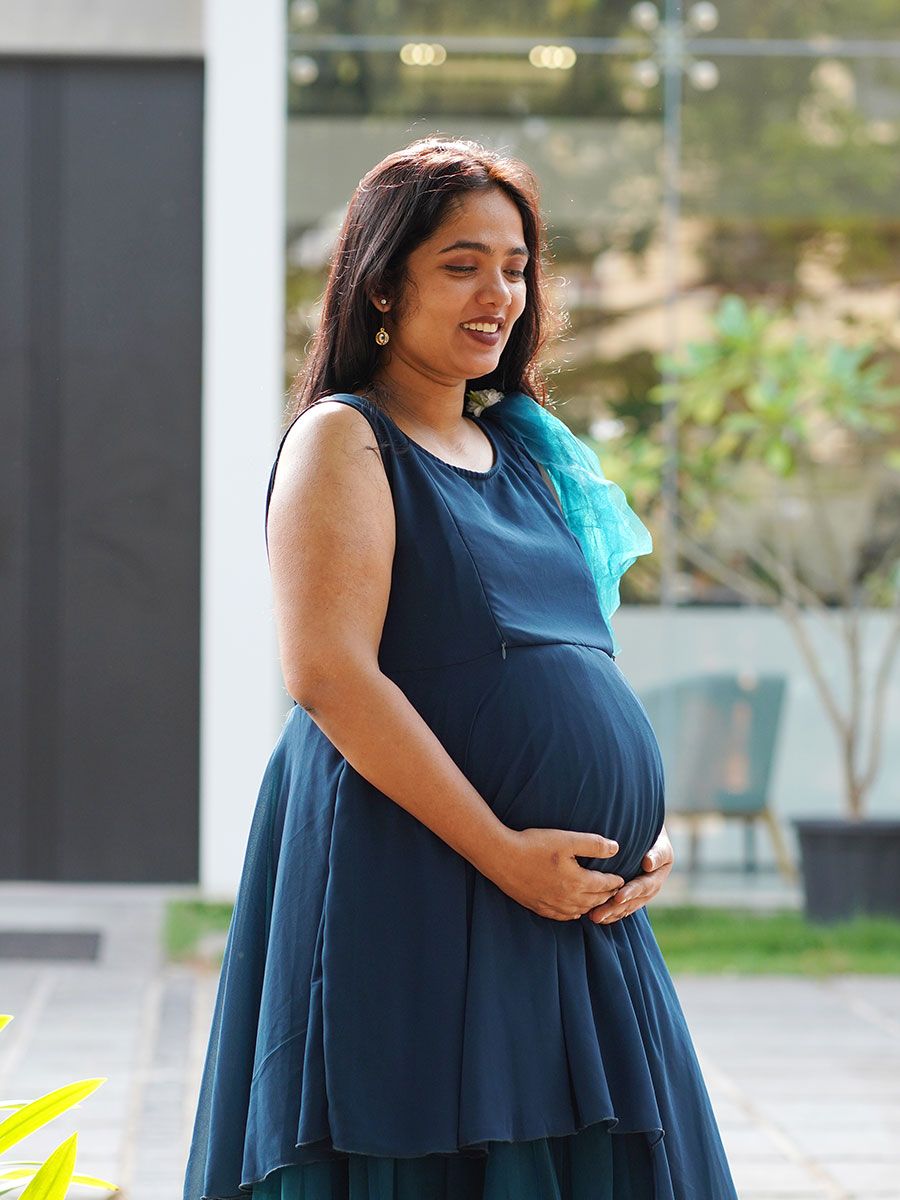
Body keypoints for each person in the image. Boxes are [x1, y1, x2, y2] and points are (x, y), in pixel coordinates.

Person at [183, 136, 738, 1200]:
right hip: (421, 874)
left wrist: (641, 835)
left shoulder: (527, 451)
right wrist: (504, 854)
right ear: (382, 285)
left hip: (567, 905)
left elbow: (576, 662)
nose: (499, 295)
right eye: (462, 265)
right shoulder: (346, 441)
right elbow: (329, 675)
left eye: (516, 268)